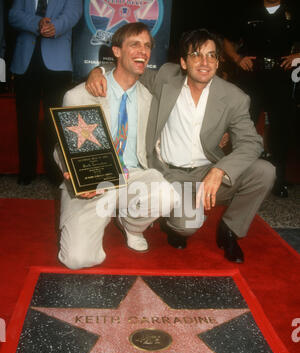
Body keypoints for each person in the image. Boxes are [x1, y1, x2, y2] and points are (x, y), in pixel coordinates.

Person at [86, 28, 276, 264]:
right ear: (184, 62)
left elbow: (251, 142)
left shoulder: (234, 97)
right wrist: (98, 71)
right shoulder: (166, 77)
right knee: (186, 225)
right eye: (196, 55)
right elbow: (126, 70)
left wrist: (220, 170)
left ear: (218, 62)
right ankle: (173, 224)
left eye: (212, 55)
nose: (205, 62)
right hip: (170, 174)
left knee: (264, 171)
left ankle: (229, 229)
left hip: (208, 173)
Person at [54, 23, 179, 270]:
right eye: (134, 44)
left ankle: (130, 224)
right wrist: (72, 172)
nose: (142, 51)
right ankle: (99, 219)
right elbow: (61, 148)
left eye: (147, 46)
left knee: (167, 194)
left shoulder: (150, 99)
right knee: (77, 260)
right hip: (95, 182)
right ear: (117, 52)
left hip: (133, 175)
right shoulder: (79, 96)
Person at [223, 0, 300, 198]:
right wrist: (238, 59)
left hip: (280, 75)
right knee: (243, 126)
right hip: (252, 76)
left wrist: (298, 56)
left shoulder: (293, 11)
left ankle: (279, 179)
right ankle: (236, 179)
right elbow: (227, 41)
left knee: (281, 130)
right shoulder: (247, 9)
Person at [8, 0, 83, 185]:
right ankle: (27, 171)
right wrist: (37, 23)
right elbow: (13, 15)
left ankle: (56, 172)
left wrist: (55, 27)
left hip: (58, 65)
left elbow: (74, 13)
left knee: (55, 122)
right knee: (26, 120)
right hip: (25, 63)